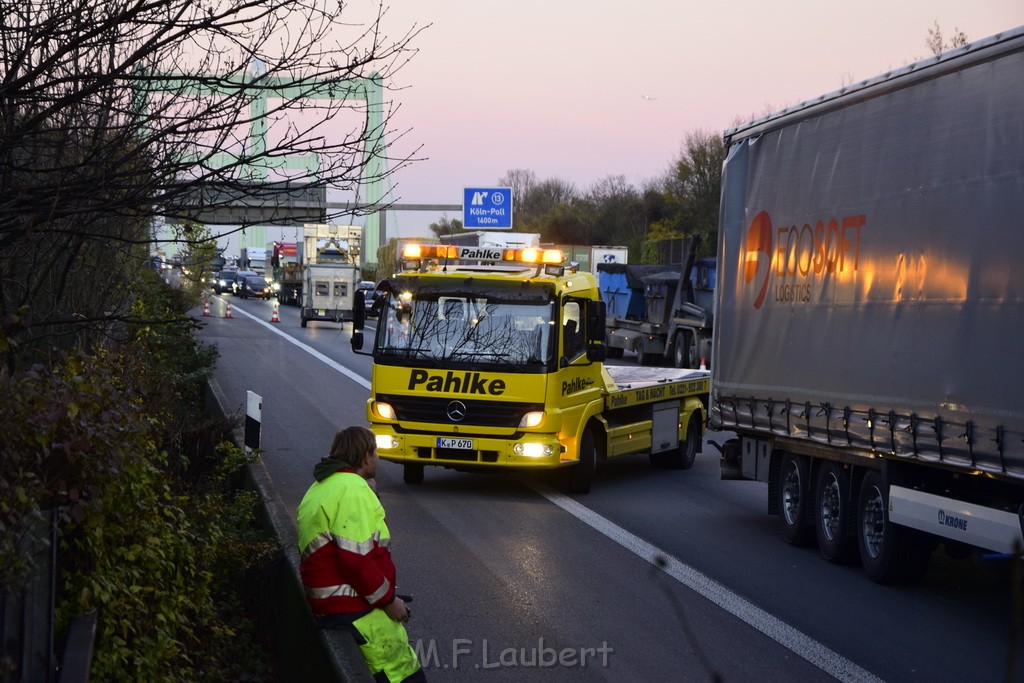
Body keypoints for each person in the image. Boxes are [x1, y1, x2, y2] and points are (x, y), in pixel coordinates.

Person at [296, 426, 426, 682]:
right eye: (375, 452)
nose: (378, 457)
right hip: (351, 608)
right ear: (367, 457)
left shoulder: (324, 486)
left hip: (334, 602)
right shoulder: (352, 491)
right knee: (404, 671)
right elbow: (356, 561)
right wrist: (389, 602)